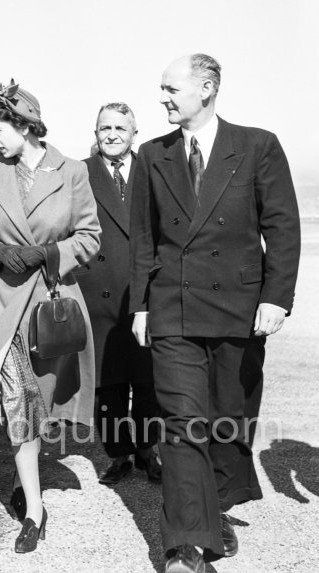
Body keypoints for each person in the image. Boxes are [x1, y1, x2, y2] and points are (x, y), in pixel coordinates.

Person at [130, 54, 300, 572]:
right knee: (181, 424)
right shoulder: (150, 155)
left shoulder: (257, 145)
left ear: (206, 88)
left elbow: (283, 227)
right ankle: (186, 545)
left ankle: (216, 508)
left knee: (229, 420)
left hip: (239, 310)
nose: (161, 97)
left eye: (170, 88)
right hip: (173, 309)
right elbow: (143, 239)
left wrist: (276, 297)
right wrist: (140, 306)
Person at [0, 79, 100, 553]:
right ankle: (36, 512)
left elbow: (90, 236)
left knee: (42, 402)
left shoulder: (73, 171)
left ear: (25, 125)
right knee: (17, 400)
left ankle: (29, 485)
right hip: (3, 305)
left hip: (50, 304)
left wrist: (49, 253)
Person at [76, 103, 161, 486]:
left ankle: (148, 449)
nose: (111, 134)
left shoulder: (153, 168)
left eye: (119, 128)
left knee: (148, 380)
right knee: (106, 385)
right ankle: (118, 454)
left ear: (134, 132)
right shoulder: (80, 172)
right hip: (98, 292)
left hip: (146, 292)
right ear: (95, 133)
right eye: (104, 128)